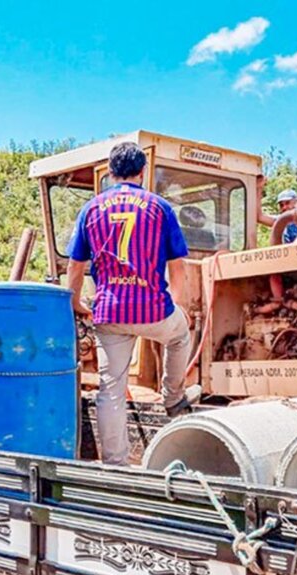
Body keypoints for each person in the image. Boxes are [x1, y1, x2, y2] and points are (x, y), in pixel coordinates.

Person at [66, 142, 194, 465]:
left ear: (110, 172)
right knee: (180, 335)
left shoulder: (91, 209)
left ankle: (115, 465)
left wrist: (77, 302)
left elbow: (75, 266)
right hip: (153, 309)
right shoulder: (160, 208)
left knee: (110, 389)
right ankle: (173, 397)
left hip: (108, 311)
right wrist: (180, 307)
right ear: (142, 172)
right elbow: (178, 265)